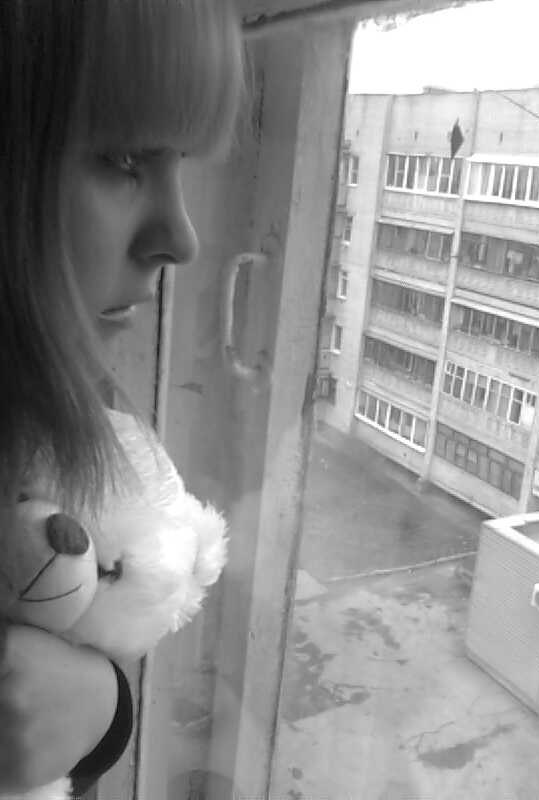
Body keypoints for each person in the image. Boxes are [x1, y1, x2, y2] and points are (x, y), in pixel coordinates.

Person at [0, 0, 244, 795]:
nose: (181, 237)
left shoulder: (67, 404)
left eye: (181, 164)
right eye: (124, 159)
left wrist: (99, 708)